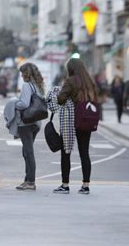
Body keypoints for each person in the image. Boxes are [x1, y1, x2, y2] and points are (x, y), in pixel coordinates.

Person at [53, 58, 98, 195]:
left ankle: (65, 185)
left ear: (70, 69)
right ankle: (85, 186)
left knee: (66, 152)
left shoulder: (71, 80)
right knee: (84, 153)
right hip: (87, 119)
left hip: (72, 120)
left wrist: (59, 93)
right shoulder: (89, 81)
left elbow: (61, 99)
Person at [14, 63, 45, 191]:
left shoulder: (27, 86)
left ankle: (30, 181)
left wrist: (15, 102)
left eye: (22, 73)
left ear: (27, 74)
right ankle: (27, 180)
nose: (21, 76)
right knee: (27, 151)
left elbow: (24, 104)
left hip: (26, 123)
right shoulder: (38, 86)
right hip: (36, 123)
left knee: (28, 152)